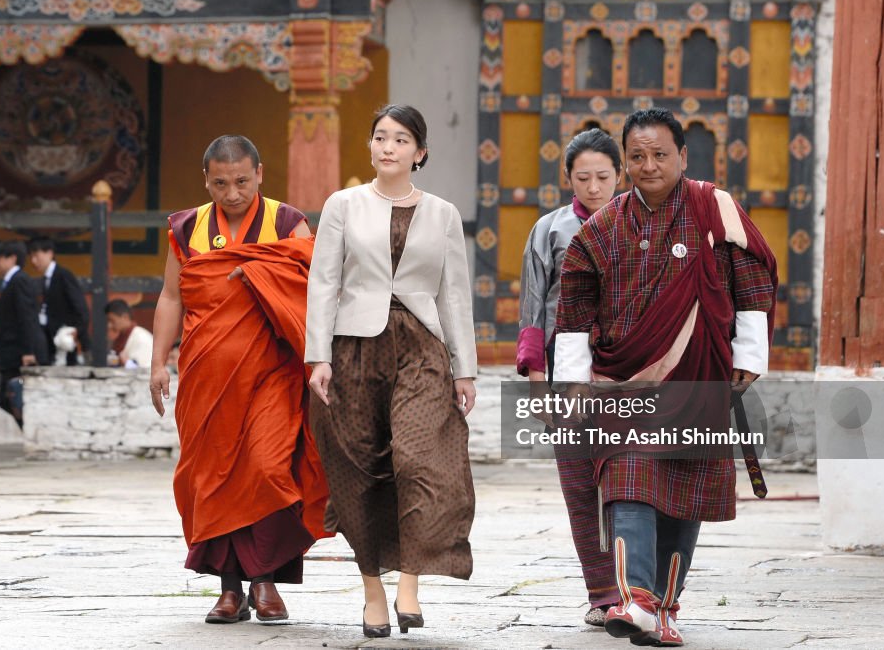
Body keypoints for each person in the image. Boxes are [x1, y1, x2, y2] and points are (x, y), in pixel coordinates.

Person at [553, 108, 776, 646]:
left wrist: (749, 354)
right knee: (627, 479)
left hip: (701, 375)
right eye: (636, 156)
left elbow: (751, 281)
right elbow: (575, 308)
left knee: (685, 489)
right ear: (625, 160)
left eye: (659, 154)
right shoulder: (602, 228)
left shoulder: (713, 207)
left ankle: (666, 606)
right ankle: (637, 601)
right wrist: (573, 382)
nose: (648, 165)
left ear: (682, 156)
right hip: (624, 385)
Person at [306, 104, 477, 638]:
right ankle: (372, 592)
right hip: (355, 346)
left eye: (401, 140)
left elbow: (454, 295)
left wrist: (463, 368)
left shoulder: (444, 214)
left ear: (420, 152)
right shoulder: (343, 205)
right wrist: (319, 356)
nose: (388, 147)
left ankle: (410, 580)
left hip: (421, 346)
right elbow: (324, 282)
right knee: (359, 470)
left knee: (420, 460)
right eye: (380, 137)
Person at [149, 135, 331, 626]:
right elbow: (172, 297)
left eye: (242, 182)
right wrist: (157, 362)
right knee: (211, 478)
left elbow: (311, 289)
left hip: (272, 370)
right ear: (206, 179)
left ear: (261, 174)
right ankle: (230, 590)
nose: (232, 193)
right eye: (221, 183)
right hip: (207, 375)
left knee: (267, 468)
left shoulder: (288, 223)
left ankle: (265, 580)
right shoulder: (187, 227)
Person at [516, 128, 621, 626]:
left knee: (629, 479)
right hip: (565, 369)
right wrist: (536, 374)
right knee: (580, 482)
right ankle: (602, 593)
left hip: (627, 370)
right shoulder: (550, 230)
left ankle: (638, 589)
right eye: (584, 177)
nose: (595, 187)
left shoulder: (637, 224)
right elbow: (534, 304)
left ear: (619, 176)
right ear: (568, 179)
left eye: (603, 176)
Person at [0, 241, 48, 430]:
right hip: (12, 354)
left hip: (19, 354)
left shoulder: (19, 281)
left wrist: (28, 351)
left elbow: (26, 317)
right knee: (9, 398)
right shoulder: (12, 282)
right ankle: (31, 431)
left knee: (11, 398)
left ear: (12, 258)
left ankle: (35, 431)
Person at [27, 236, 91, 365]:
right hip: (51, 338)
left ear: (49, 253)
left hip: (65, 339)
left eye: (36, 256)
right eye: (31, 257)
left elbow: (80, 307)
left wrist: (77, 330)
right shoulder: (45, 280)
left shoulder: (63, 275)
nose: (33, 261)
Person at [104, 299, 153, 368]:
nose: (109, 325)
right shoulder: (121, 337)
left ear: (125, 317)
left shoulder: (141, 338)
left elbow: (145, 369)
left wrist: (126, 362)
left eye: (112, 320)